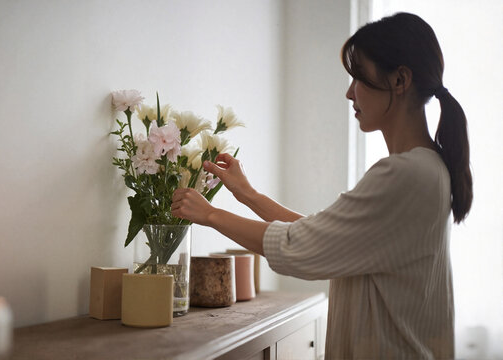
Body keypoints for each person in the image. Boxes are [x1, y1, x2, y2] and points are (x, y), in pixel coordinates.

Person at [171, 12, 472, 359]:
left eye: (358, 77)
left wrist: (210, 215)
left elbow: (302, 247)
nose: (349, 93)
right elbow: (324, 238)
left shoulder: (407, 174)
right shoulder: (426, 169)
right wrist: (248, 195)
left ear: (400, 80)